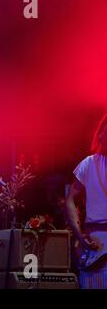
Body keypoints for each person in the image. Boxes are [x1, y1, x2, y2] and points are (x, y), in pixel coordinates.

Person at [65, 114, 107, 289]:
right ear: (100, 133)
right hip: (96, 242)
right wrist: (79, 233)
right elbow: (70, 201)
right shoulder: (88, 164)